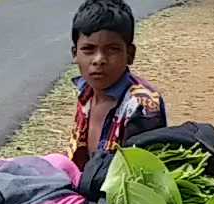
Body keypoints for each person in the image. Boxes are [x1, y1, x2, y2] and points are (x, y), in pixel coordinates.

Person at [68, 0, 167, 170]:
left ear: (130, 54)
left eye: (112, 49)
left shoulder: (142, 107)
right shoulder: (86, 91)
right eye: (88, 49)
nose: (99, 60)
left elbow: (140, 175)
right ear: (75, 54)